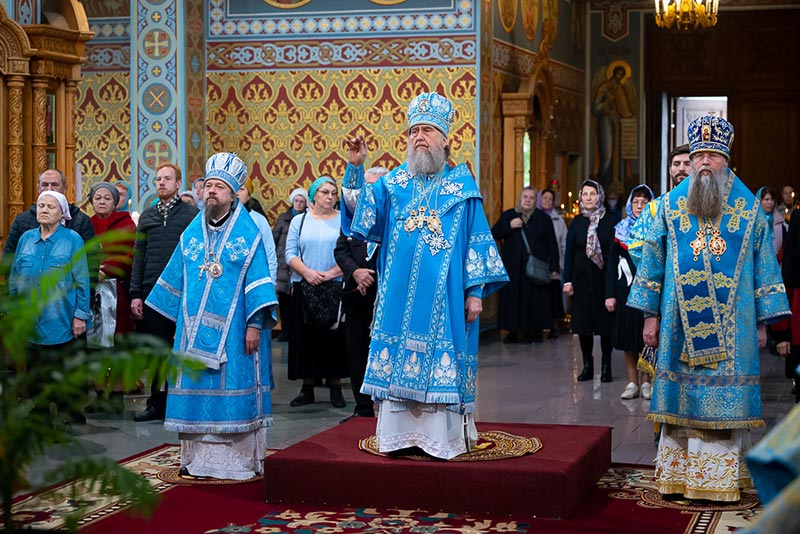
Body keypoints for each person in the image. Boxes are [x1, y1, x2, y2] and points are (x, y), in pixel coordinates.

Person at [628, 115, 791, 503]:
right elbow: (652, 261)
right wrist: (649, 315)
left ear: (725, 160)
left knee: (723, 407)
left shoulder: (749, 209)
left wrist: (765, 323)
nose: (703, 162)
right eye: (697, 154)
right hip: (676, 325)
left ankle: (719, 481)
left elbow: (765, 265)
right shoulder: (669, 206)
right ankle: (679, 477)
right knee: (680, 401)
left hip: (736, 328)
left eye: (711, 156)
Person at [342, 92, 508, 459]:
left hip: (445, 298)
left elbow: (477, 244)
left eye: (428, 130)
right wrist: (356, 168)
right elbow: (360, 218)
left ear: (445, 139)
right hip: (396, 299)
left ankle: (439, 439)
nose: (419, 136)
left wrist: (475, 292)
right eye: (414, 130)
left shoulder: (461, 189)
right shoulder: (394, 184)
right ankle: (398, 438)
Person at [145, 152, 277, 480]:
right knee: (195, 393)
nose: (212, 192)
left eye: (220, 187)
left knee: (233, 393)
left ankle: (238, 463)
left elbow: (259, 283)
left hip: (236, 336)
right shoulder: (191, 234)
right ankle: (197, 461)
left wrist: (254, 325)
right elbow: (174, 281)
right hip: (190, 334)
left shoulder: (248, 233)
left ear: (234, 194)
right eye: (209, 186)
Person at [9, 190, 90, 423]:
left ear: (62, 213)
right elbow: (15, 276)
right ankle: (41, 413)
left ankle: (64, 412)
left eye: (50, 207)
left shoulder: (73, 239)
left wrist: (80, 316)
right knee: (34, 373)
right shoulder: (26, 238)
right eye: (41, 205)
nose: (44, 210)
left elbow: (82, 280)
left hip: (61, 319)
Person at [130, 162, 198, 422]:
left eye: (167, 179)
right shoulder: (147, 216)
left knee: (179, 349)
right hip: (151, 294)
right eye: (158, 179)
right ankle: (155, 402)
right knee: (157, 350)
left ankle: (177, 402)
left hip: (182, 294)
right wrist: (136, 293)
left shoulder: (191, 215)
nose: (161, 183)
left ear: (178, 184)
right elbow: (139, 257)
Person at [285, 176, 348, 408]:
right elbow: (290, 252)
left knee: (334, 339)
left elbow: (350, 252)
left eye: (333, 193)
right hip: (306, 284)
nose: (330, 196)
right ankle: (307, 388)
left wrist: (331, 273)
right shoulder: (299, 221)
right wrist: (307, 273)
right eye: (324, 192)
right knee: (306, 338)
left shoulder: (343, 220)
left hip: (335, 284)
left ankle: (335, 388)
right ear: (314, 195)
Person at [334, 166, 389, 422]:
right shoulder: (353, 219)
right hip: (356, 296)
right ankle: (363, 408)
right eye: (365, 187)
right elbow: (341, 251)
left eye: (373, 187)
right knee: (357, 353)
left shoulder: (392, 218)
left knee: (385, 352)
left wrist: (373, 274)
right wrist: (356, 272)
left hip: (386, 298)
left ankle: (388, 409)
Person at [563, 180, 619, 383]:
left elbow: (615, 251)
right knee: (583, 325)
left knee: (605, 325)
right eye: (585, 194)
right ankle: (587, 365)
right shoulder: (577, 222)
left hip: (604, 278)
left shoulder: (611, 220)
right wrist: (567, 280)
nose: (588, 198)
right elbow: (569, 253)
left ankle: (606, 365)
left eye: (592, 194)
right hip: (581, 279)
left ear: (600, 196)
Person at [492, 186, 559, 343]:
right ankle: (512, 332)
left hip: (534, 268)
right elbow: (494, 233)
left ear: (535, 201)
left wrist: (553, 267)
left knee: (534, 300)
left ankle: (532, 332)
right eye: (525, 197)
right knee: (512, 301)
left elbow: (552, 245)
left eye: (531, 198)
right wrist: (509, 226)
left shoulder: (543, 218)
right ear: (520, 198)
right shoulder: (509, 215)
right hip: (513, 268)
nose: (527, 200)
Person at [605, 184, 653, 400]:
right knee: (627, 339)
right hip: (624, 292)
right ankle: (632, 381)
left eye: (644, 202)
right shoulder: (620, 230)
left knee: (647, 339)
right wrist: (610, 294)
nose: (639, 206)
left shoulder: (656, 229)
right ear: (629, 204)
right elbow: (611, 265)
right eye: (635, 202)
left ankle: (646, 382)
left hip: (648, 292)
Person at [3, 170, 97, 279]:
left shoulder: (81, 220)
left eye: (55, 185)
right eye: (44, 185)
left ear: (65, 188)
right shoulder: (22, 220)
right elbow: (10, 260)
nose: (49, 188)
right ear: (38, 188)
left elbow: (92, 261)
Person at [627, 144, 690, 266]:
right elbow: (636, 244)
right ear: (670, 170)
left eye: (687, 164)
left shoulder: (707, 206)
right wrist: (663, 270)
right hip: (669, 281)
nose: (681, 168)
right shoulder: (655, 208)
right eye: (676, 164)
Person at [89, 182, 137, 337]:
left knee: (116, 337)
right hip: (90, 288)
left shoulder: (127, 224)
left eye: (107, 198)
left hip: (117, 289)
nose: (102, 201)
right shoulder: (86, 224)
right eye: (98, 198)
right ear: (92, 202)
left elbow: (133, 255)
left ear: (115, 203)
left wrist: (107, 268)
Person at [272, 188, 308, 342]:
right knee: (284, 302)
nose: (299, 204)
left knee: (298, 302)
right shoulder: (284, 218)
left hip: (299, 265)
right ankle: (285, 330)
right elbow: (275, 239)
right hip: (282, 266)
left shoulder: (308, 219)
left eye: (302, 201)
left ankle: (297, 332)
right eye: (296, 201)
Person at [538, 188, 567, 338]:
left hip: (555, 263)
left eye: (550, 199)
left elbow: (563, 243)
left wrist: (560, 264)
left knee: (554, 296)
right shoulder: (534, 217)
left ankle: (555, 326)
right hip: (539, 263)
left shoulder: (558, 220)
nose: (547, 201)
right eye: (545, 198)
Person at [758, 187, 784, 259]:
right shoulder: (753, 222)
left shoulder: (779, 222)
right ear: (759, 201)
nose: (770, 202)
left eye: (772, 199)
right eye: (766, 199)